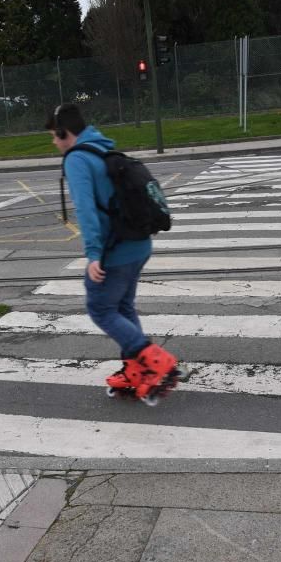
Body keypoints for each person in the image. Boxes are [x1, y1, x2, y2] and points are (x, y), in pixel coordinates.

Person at [46, 103, 179, 400]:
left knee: (101, 309)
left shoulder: (77, 159)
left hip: (114, 251)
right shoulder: (102, 148)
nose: (54, 143)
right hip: (139, 245)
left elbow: (86, 210)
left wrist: (93, 255)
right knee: (123, 307)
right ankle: (136, 369)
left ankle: (155, 361)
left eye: (54, 137)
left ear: (64, 132)